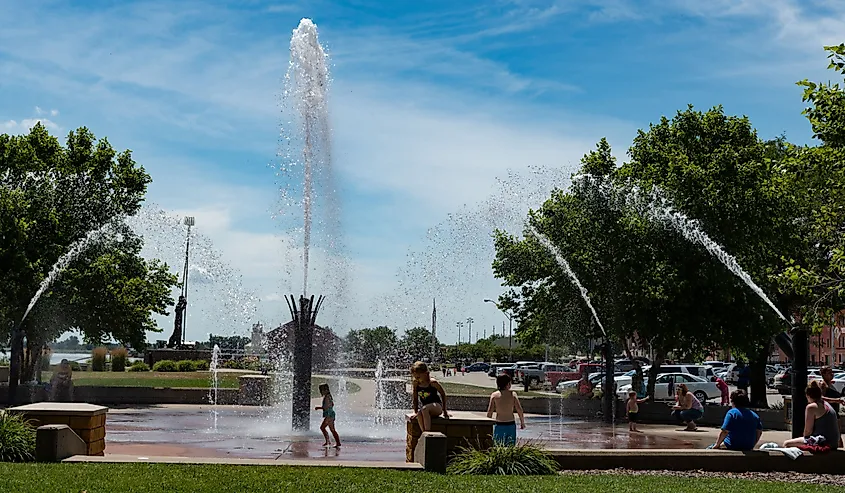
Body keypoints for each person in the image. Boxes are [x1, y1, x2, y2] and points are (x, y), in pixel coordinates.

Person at [783, 381, 841, 450]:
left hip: (823, 441)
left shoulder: (811, 407)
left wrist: (804, 439)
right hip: (833, 442)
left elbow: (808, 432)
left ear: (807, 395)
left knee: (787, 444)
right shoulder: (825, 403)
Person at [486, 374, 525, 445]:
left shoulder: (494, 395)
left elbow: (490, 411)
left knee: (498, 446)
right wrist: (522, 422)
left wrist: (487, 425)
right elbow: (519, 409)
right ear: (508, 384)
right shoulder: (513, 394)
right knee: (510, 447)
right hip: (510, 424)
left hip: (499, 424)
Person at [410, 361, 449, 432]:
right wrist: (415, 412)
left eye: (418, 377)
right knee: (419, 414)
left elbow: (443, 394)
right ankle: (423, 433)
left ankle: (427, 433)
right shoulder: (416, 384)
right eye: (415, 377)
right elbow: (415, 398)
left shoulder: (432, 382)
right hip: (425, 410)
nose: (416, 379)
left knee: (424, 409)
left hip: (437, 407)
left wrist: (444, 410)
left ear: (425, 373)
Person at [315, 383, 341, 448]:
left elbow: (326, 407)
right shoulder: (329, 396)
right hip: (331, 414)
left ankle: (329, 441)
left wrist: (319, 408)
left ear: (326, 390)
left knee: (323, 428)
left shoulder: (327, 397)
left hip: (329, 415)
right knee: (332, 429)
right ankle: (336, 442)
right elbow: (332, 404)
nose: (321, 392)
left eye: (322, 390)